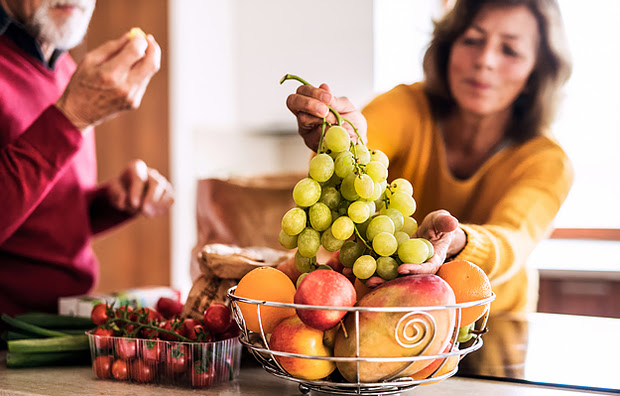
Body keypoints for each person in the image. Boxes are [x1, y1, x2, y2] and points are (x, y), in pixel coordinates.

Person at [285, 0, 573, 314]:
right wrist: (339, 141)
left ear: (536, 71)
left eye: (510, 51)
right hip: (389, 309)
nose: (485, 60)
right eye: (472, 40)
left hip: (490, 323)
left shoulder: (548, 160)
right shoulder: (405, 106)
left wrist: (459, 241)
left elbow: (514, 239)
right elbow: (359, 155)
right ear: (448, 47)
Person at [0, 0, 174, 316]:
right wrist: (71, 116)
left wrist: (111, 202)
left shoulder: (67, 69)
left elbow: (33, 224)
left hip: (60, 325)